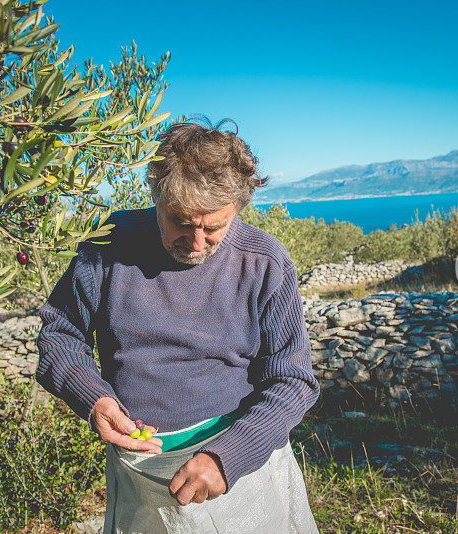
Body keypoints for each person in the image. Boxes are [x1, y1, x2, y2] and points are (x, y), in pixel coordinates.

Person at [35, 119, 320, 533]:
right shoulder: (108, 247)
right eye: (182, 222)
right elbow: (59, 335)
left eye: (214, 227)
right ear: (156, 197)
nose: (197, 242)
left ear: (237, 211)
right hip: (140, 471)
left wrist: (227, 457)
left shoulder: (264, 263)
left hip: (239, 465)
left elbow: (293, 381)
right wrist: (94, 399)